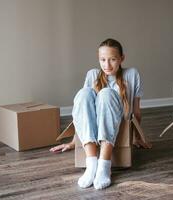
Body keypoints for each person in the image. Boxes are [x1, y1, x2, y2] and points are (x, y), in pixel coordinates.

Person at [50, 38, 151, 190]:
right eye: (103, 60)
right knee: (84, 94)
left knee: (106, 94)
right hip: (96, 125)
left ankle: (104, 164)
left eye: (112, 59)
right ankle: (92, 164)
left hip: (119, 122)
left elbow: (136, 110)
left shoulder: (132, 74)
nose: (107, 65)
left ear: (122, 59)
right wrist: (73, 142)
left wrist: (137, 137)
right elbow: (83, 111)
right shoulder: (92, 74)